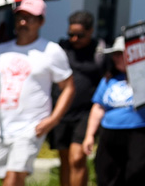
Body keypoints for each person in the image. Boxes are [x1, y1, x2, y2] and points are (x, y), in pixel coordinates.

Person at [0, 0, 76, 186]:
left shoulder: (51, 51)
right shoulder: (0, 51)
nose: (23, 22)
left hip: (31, 126)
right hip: (3, 126)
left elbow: (69, 87)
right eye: (20, 17)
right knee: (8, 178)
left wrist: (53, 120)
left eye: (29, 18)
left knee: (13, 177)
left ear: (41, 21)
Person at [82, 37, 145, 186]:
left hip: (140, 132)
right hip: (110, 133)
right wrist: (89, 135)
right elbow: (98, 107)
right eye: (116, 54)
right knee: (106, 173)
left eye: (121, 54)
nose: (117, 58)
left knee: (136, 173)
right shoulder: (108, 79)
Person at [51, 11, 104, 186]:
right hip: (61, 111)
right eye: (71, 34)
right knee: (65, 159)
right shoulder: (61, 49)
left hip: (85, 113)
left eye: (79, 35)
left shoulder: (99, 51)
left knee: (77, 158)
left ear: (90, 31)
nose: (74, 39)